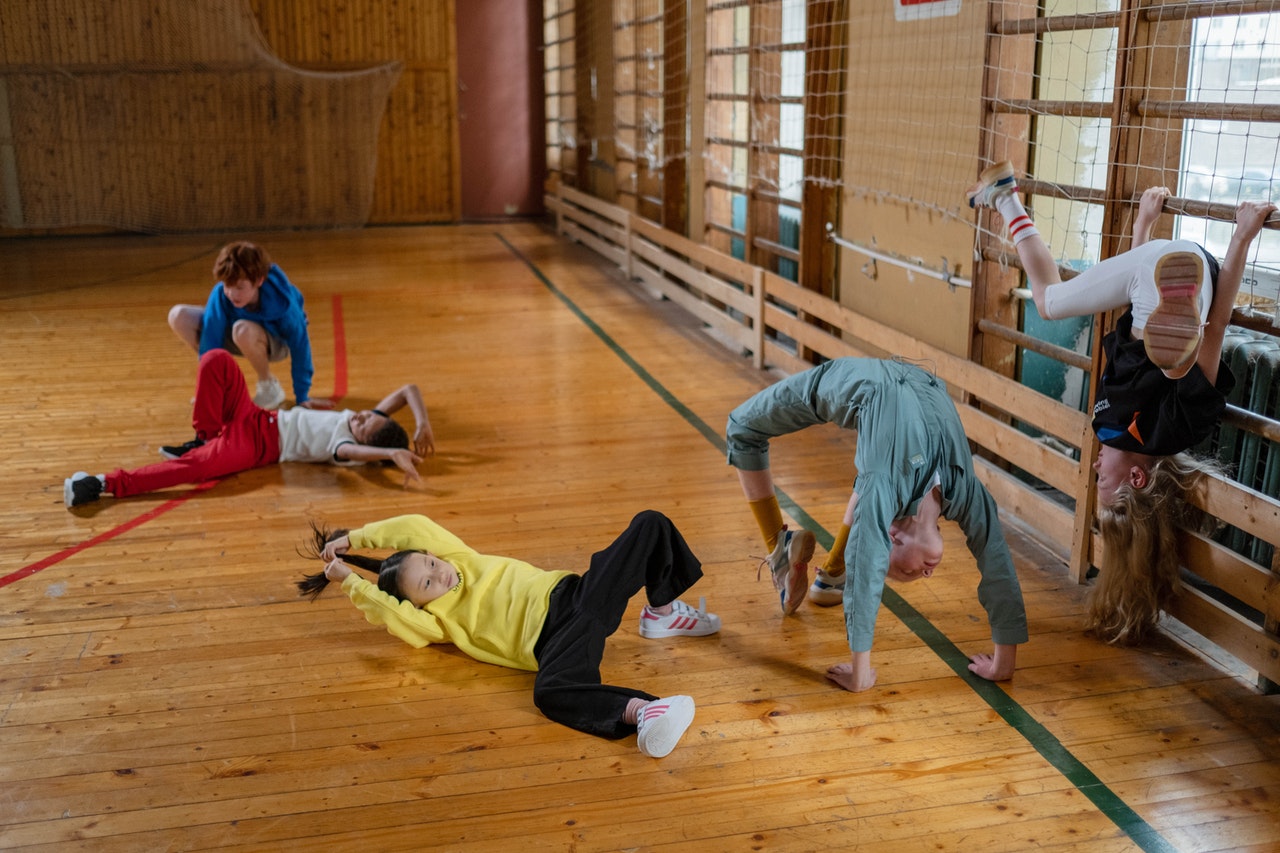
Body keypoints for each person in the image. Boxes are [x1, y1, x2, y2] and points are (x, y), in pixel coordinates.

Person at [968, 161, 1275, 643]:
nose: (1093, 472)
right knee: (1167, 352)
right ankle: (1008, 199)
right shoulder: (1170, 429)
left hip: (1160, 269)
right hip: (1190, 285)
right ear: (1136, 476)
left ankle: (1005, 197)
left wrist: (1142, 226)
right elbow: (1218, 329)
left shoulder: (1117, 426)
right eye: (1104, 482)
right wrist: (1243, 238)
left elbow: (1133, 324)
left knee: (1063, 305)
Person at [299, 511, 721, 758]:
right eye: (426, 585)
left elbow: (415, 525)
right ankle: (644, 712)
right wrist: (350, 581)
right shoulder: (439, 622)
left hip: (576, 595)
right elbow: (392, 615)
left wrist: (354, 539)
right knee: (549, 692)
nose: (437, 574)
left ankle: (661, 612)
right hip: (556, 644)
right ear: (420, 605)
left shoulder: (461, 558)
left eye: (429, 564)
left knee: (650, 524)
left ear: (433, 553)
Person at [726, 357, 1029, 693]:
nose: (926, 574)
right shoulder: (955, 490)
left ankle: (830, 575)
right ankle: (783, 549)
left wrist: (1005, 664)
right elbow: (869, 562)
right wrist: (860, 674)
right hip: (868, 382)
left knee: (872, 483)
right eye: (907, 572)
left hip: (900, 383)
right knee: (741, 428)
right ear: (893, 537)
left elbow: (996, 562)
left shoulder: (926, 491)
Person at [64, 348, 434, 507]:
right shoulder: (358, 421)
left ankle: (100, 484)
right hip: (257, 416)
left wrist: (389, 453)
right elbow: (407, 390)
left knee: (197, 469)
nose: (362, 416)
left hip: (257, 448)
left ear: (363, 444)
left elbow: (358, 452)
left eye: (366, 425)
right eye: (370, 414)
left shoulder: (343, 447)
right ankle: (205, 436)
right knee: (217, 360)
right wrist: (422, 424)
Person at [168, 241, 326, 413]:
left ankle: (268, 386)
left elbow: (300, 346)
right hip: (238, 334)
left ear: (259, 281)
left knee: (242, 330)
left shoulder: (283, 303)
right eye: (227, 286)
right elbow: (210, 341)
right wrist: (208, 390)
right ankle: (223, 386)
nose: (232, 294)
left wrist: (302, 396)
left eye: (240, 287)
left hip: (275, 342)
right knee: (178, 316)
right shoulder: (221, 295)